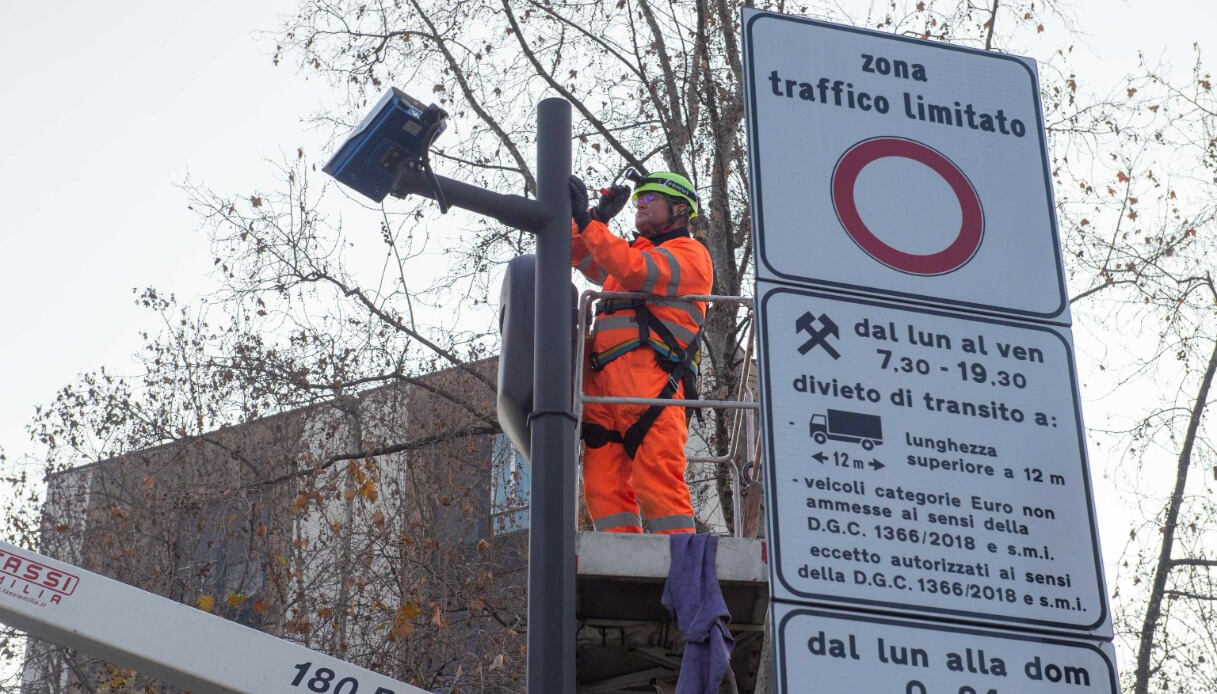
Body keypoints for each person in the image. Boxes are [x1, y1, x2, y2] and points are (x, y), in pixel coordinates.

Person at [569, 171, 713, 534]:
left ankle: (685, 573)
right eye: (638, 200)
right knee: (603, 488)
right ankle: (621, 570)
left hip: (654, 382)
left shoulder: (692, 255)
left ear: (680, 211)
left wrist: (592, 224)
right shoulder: (629, 252)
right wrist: (596, 219)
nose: (640, 205)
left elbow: (635, 271)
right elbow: (575, 250)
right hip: (604, 386)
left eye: (651, 199)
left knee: (659, 485)